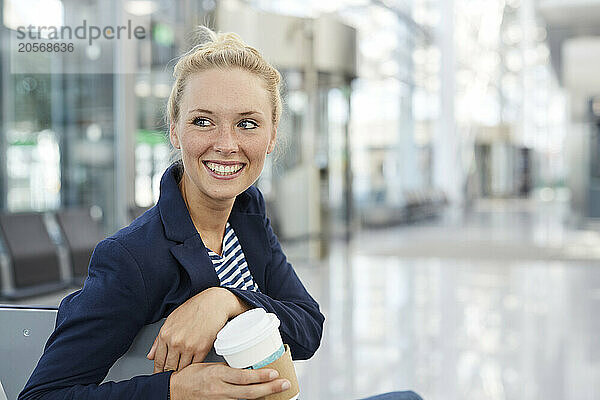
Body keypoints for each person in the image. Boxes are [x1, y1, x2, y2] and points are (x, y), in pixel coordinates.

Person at [19, 26, 324, 400]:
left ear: (272, 134)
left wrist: (227, 300)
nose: (226, 145)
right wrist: (175, 389)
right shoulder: (132, 258)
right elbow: (41, 395)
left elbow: (308, 327)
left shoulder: (246, 211)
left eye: (247, 124)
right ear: (175, 131)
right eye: (202, 121)